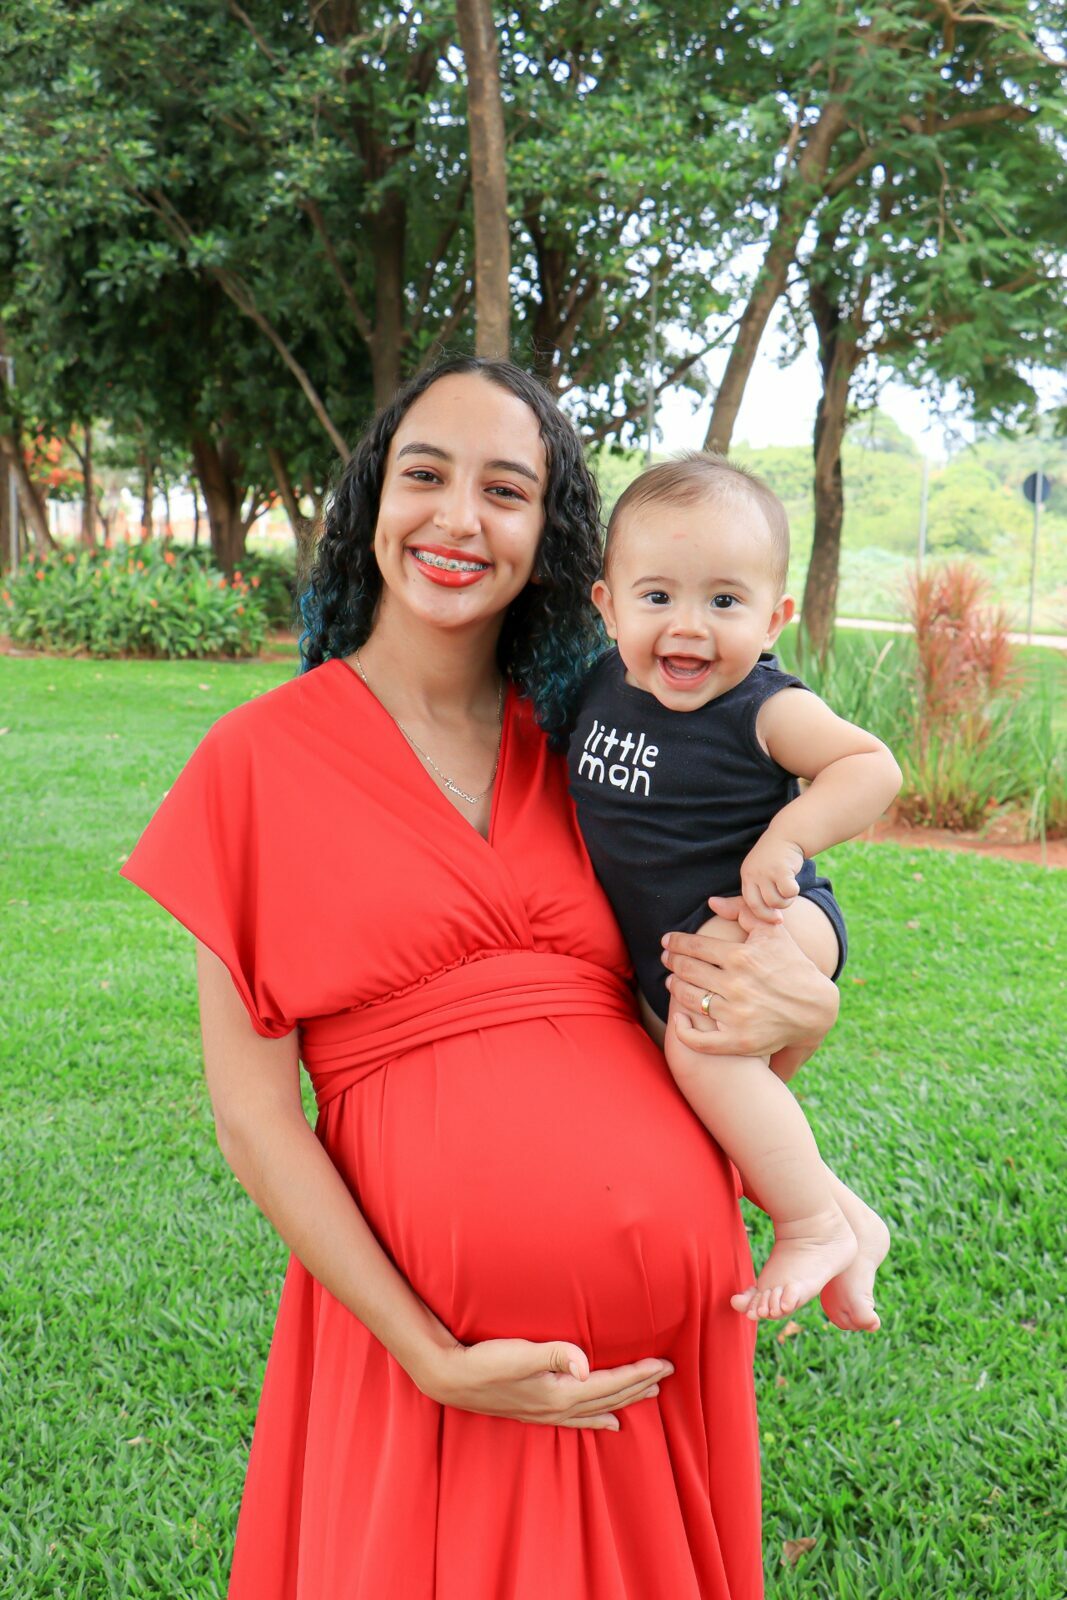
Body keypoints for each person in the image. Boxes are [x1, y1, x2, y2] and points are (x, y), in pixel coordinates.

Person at [120, 357, 840, 1600]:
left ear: (546, 535)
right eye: (425, 475)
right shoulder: (256, 764)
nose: (458, 518)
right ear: (372, 499)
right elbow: (252, 1117)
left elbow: (711, 1012)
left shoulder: (595, 752)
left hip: (658, 1370)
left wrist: (807, 1004)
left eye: (503, 490)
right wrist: (429, 1354)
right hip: (431, 1367)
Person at [569, 454, 900, 1332]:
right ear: (607, 606)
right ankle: (852, 1220)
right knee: (701, 1102)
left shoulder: (763, 708)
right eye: (656, 597)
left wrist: (785, 840)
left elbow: (870, 766)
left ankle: (810, 1225)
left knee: (702, 1056)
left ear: (772, 617)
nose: (688, 626)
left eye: (723, 600)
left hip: (771, 919)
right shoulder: (599, 687)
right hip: (674, 952)